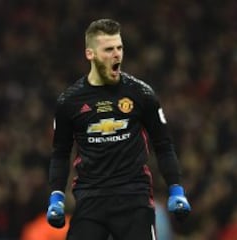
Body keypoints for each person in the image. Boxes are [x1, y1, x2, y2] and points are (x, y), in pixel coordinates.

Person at [46, 18, 191, 240]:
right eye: (108, 49)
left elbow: (163, 145)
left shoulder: (141, 94)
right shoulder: (70, 102)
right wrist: (56, 195)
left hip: (134, 199)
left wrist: (176, 189)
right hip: (90, 199)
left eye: (119, 48)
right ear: (90, 54)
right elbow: (60, 153)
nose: (117, 55)